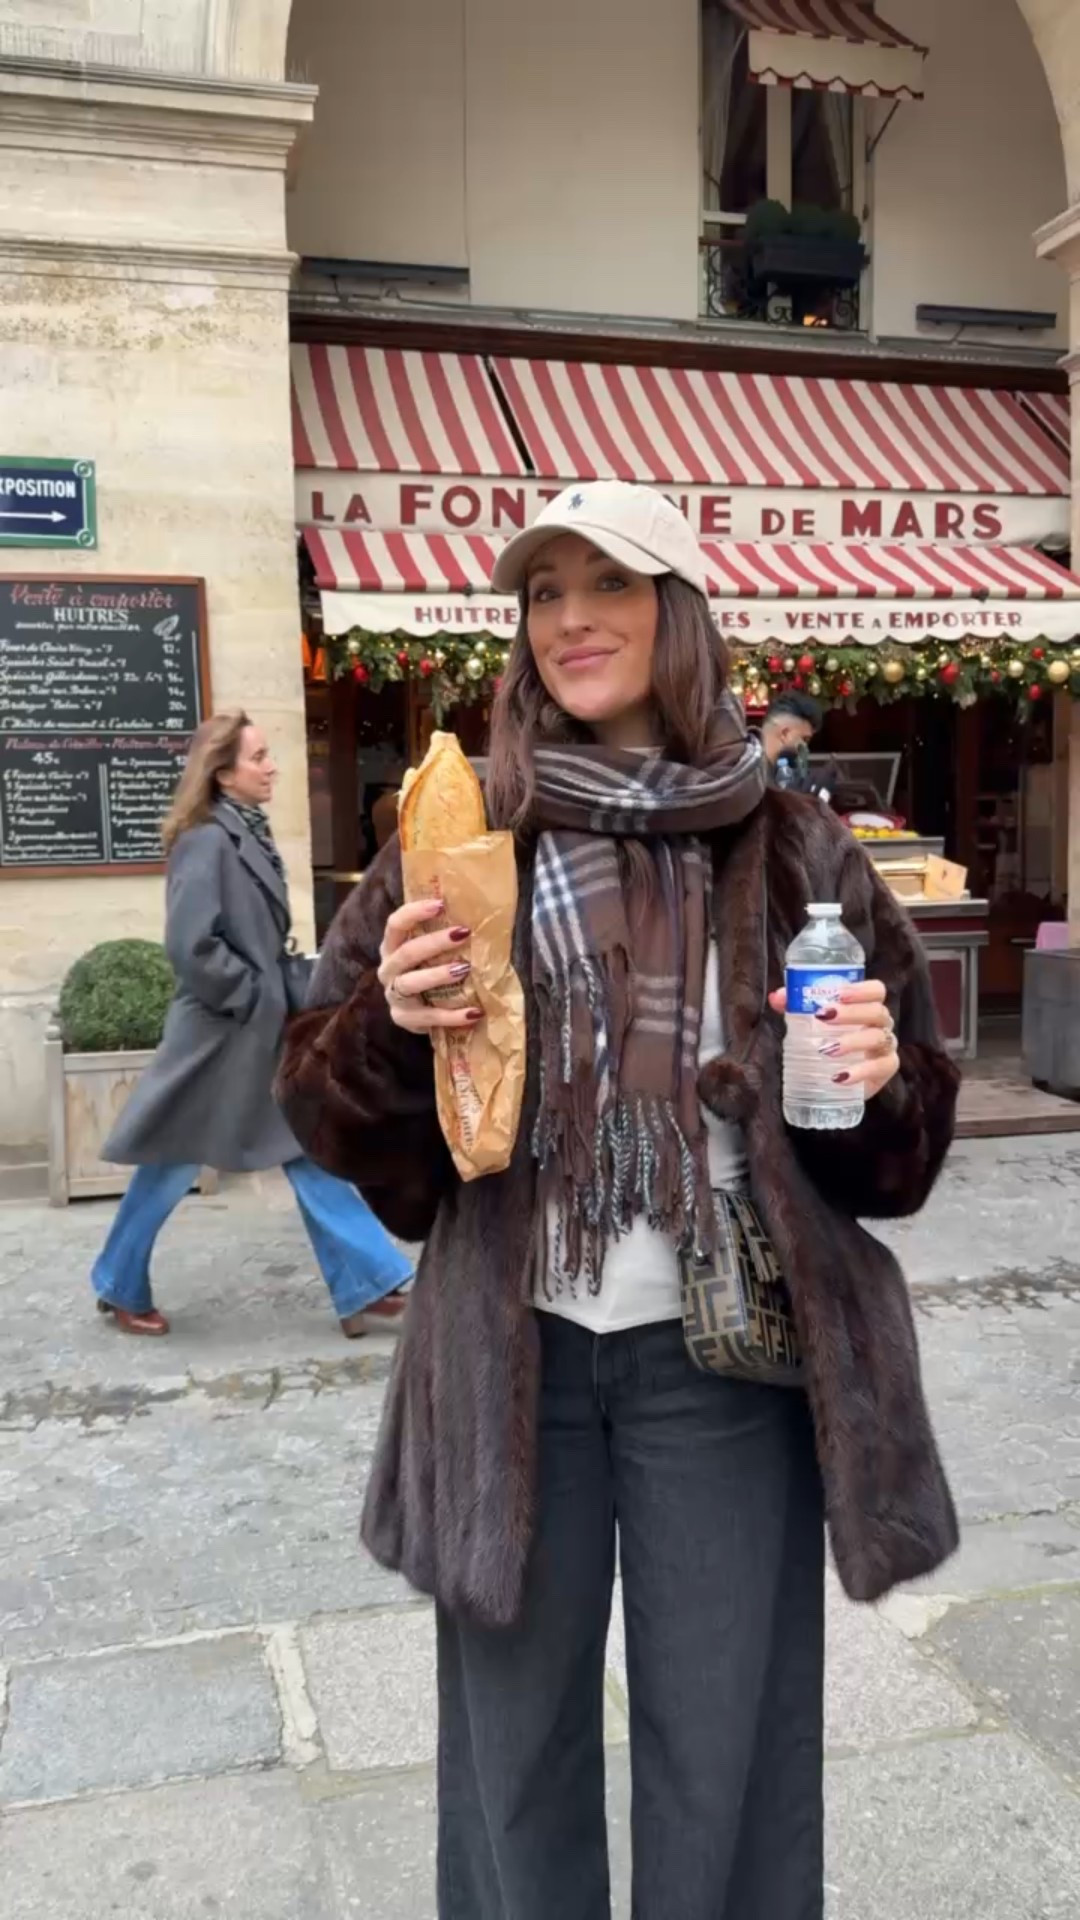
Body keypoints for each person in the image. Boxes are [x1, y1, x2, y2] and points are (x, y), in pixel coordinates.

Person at [278, 481, 960, 1920]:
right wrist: (390, 1029)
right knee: (513, 1762)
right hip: (508, 1361)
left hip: (721, 1366)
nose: (573, 620)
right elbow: (322, 1107)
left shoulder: (795, 848)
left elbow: (892, 1159)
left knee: (729, 1751)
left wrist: (881, 1079)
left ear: (681, 613)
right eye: (544, 592)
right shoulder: (457, 832)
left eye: (611, 585)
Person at [91, 710, 412, 1340]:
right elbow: (191, 946)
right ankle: (117, 1281)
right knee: (172, 1164)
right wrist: (252, 994)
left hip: (254, 1032)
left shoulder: (240, 828)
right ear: (222, 771)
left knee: (307, 1149)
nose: (271, 767)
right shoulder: (206, 839)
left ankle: (366, 1286)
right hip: (216, 1040)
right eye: (258, 757)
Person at [760, 688, 823, 792]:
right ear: (785, 734)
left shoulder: (787, 775)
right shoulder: (746, 775)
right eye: (804, 739)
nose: (805, 748)